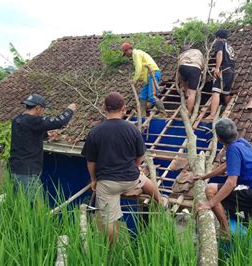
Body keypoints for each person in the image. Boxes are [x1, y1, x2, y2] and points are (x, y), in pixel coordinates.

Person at [81, 92, 166, 244]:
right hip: (130, 179)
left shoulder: (95, 132)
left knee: (108, 220)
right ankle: (160, 201)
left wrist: (94, 180)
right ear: (124, 108)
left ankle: (112, 249)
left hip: (107, 184)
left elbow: (91, 161)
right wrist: (135, 167)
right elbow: (140, 155)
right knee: (145, 181)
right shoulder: (132, 129)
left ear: (104, 109)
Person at [196, 118, 252, 236]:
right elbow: (226, 165)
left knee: (210, 190)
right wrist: (204, 176)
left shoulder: (232, 149)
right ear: (236, 133)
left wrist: (209, 204)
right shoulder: (242, 142)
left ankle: (225, 230)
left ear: (219, 138)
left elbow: (231, 183)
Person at [9, 94, 76, 201]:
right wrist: (70, 110)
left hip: (16, 168)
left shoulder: (17, 120)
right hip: (28, 171)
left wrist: (47, 135)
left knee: (19, 203)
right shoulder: (33, 120)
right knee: (34, 205)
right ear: (38, 108)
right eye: (42, 110)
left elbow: (31, 133)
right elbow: (59, 121)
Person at [122, 42, 166, 116]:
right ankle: (142, 114)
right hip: (148, 77)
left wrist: (134, 80)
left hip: (153, 73)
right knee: (143, 96)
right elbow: (141, 69)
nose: (126, 55)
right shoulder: (136, 55)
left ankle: (163, 113)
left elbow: (139, 68)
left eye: (125, 53)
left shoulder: (136, 54)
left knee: (151, 96)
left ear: (128, 50)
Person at [205, 29, 236, 120]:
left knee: (216, 91)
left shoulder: (219, 42)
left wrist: (217, 68)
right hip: (231, 71)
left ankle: (212, 115)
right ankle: (228, 111)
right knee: (226, 93)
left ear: (217, 37)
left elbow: (219, 54)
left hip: (223, 70)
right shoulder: (230, 47)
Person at [177, 47, 205, 113]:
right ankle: (189, 112)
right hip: (195, 68)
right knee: (192, 93)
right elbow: (203, 66)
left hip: (183, 66)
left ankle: (186, 94)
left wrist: (180, 83)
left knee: (185, 80)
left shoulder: (183, 54)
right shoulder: (198, 51)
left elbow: (178, 71)